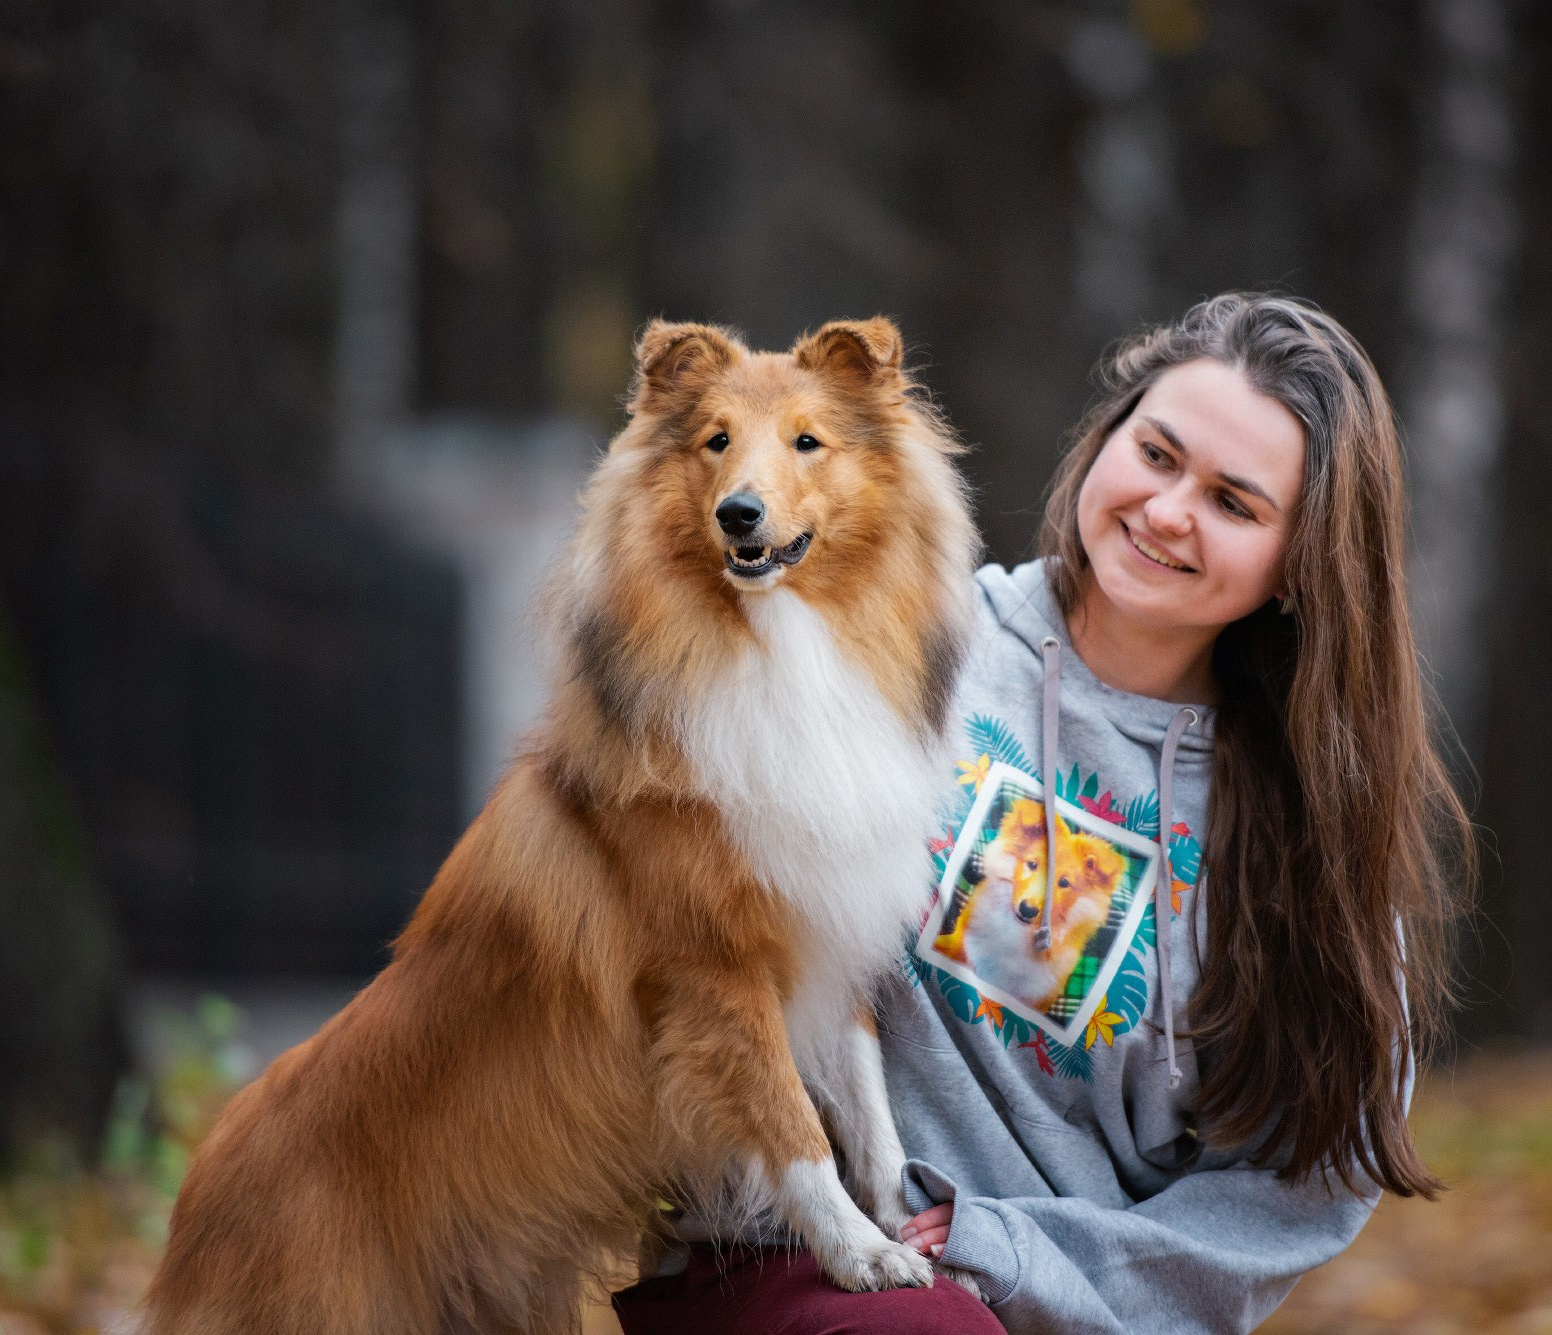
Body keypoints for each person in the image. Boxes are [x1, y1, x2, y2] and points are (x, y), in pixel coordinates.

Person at [613, 292, 1469, 1334]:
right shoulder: (878, 656)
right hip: (811, 1264)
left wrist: (1024, 1255)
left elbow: (1297, 1191)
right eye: (1156, 455)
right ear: (1105, 438)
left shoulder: (1301, 833)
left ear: (1300, 564)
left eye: (1232, 504)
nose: (1167, 511)